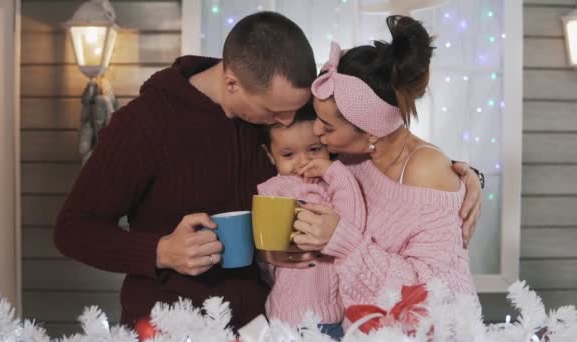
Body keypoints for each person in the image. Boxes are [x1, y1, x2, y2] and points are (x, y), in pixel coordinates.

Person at [53, 11, 482, 330]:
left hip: (271, 325)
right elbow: (73, 229)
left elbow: (370, 134)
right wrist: (160, 251)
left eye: (298, 113)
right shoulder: (144, 125)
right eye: (275, 113)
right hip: (173, 324)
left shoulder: (287, 101)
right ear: (233, 83)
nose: (289, 125)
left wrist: (462, 178)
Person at [291, 16, 477, 329]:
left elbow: (434, 295)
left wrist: (345, 241)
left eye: (328, 126)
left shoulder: (425, 172)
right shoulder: (350, 154)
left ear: (372, 133)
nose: (315, 130)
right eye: (316, 116)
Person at [256, 104, 365, 339]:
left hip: (329, 317)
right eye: (288, 154)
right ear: (270, 156)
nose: (303, 161)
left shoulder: (334, 183)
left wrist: (336, 172)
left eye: (314, 149)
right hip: (285, 314)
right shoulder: (272, 191)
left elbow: (353, 225)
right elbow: (267, 254)